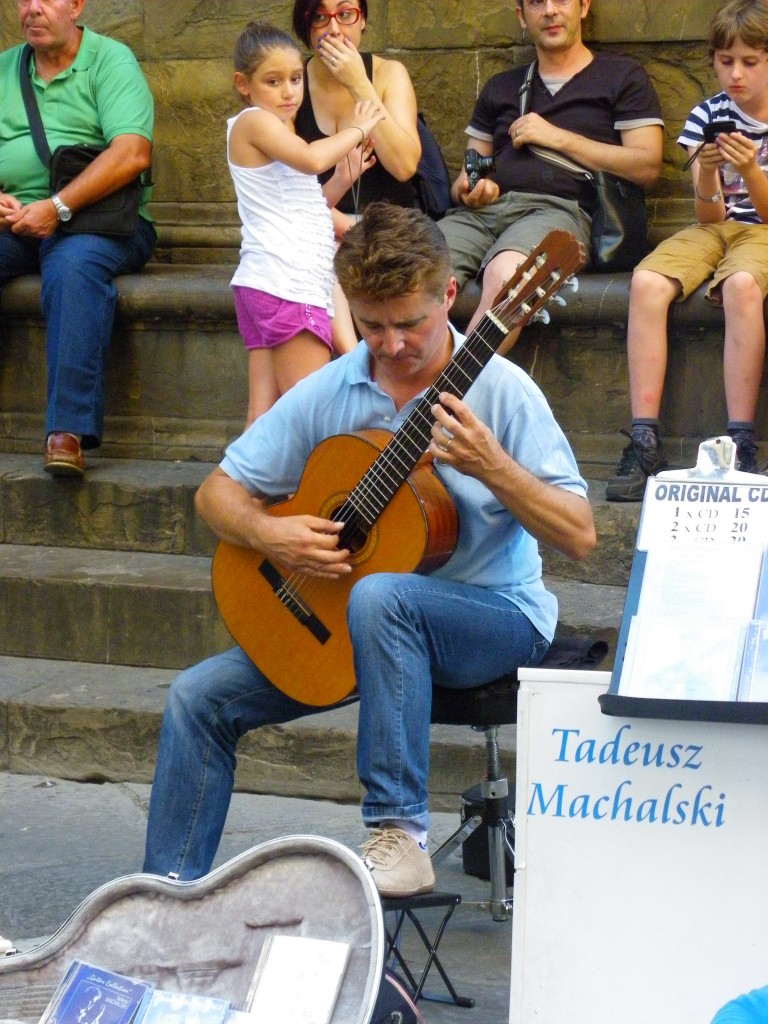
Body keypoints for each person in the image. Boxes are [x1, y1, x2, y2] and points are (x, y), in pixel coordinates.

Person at [142, 202, 596, 898]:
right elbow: (216, 494)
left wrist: (494, 468)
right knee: (196, 697)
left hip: (494, 614)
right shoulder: (337, 385)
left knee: (383, 596)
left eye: (409, 323)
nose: (389, 345)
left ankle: (399, 835)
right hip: (358, 625)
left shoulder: (504, 393)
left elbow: (581, 534)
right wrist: (272, 533)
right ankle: (164, 899)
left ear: (449, 296)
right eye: (371, 324)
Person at [607, 0, 768, 501]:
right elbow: (709, 218)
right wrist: (707, 171)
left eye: (749, 61)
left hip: (763, 231)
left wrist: (750, 172)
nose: (735, 74)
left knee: (742, 286)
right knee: (647, 281)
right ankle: (644, 439)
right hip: (718, 229)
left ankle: (740, 441)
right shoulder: (708, 115)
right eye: (725, 61)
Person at [438, 0, 663, 340]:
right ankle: (414, 383)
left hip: (561, 211)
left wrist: (558, 138)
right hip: (484, 214)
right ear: (521, 17)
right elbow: (465, 177)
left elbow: (646, 165)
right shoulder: (500, 87)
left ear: (584, 7)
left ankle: (449, 388)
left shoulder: (622, 77)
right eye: (536, 2)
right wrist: (471, 190)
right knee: (413, 265)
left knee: (508, 275)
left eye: (561, 0)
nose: (550, 11)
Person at [0, 0, 156, 477]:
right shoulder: (6, 68)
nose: (31, 9)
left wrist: (58, 206)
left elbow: (132, 153)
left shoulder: (110, 60)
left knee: (72, 268)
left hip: (99, 221)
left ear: (76, 5)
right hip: (17, 220)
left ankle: (66, 431)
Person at [227, 21, 384, 427]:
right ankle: (295, 492)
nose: (288, 91)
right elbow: (314, 159)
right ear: (243, 84)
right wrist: (360, 128)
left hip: (270, 283)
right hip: (287, 286)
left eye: (295, 79)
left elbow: (300, 208)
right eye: (273, 81)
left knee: (263, 419)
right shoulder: (254, 122)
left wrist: (341, 182)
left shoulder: (280, 129)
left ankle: (242, 491)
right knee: (309, 418)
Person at [292, 0, 422, 348]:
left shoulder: (389, 74)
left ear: (363, 20)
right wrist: (346, 228)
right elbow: (289, 188)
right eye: (320, 17)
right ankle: (351, 363)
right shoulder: (293, 83)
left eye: (346, 14)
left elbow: (405, 164)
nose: (334, 29)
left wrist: (359, 85)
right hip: (321, 227)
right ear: (306, 26)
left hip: (388, 227)